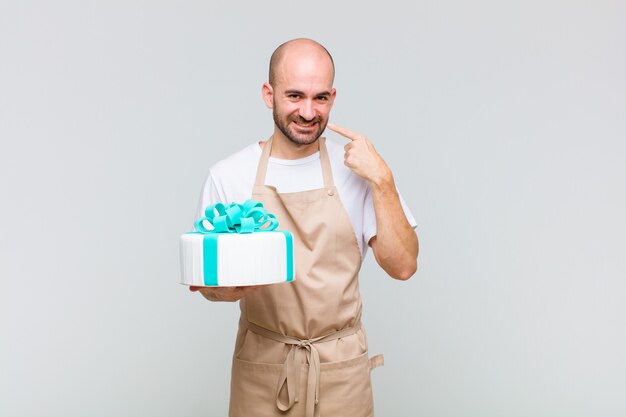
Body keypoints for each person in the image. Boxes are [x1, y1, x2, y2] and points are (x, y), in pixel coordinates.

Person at [190, 38, 419, 417]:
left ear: (333, 96)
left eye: (321, 98)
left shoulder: (358, 170)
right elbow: (209, 287)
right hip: (263, 366)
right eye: (294, 96)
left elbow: (403, 266)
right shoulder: (229, 175)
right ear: (269, 94)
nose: (309, 112)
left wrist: (383, 180)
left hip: (340, 368)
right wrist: (226, 290)